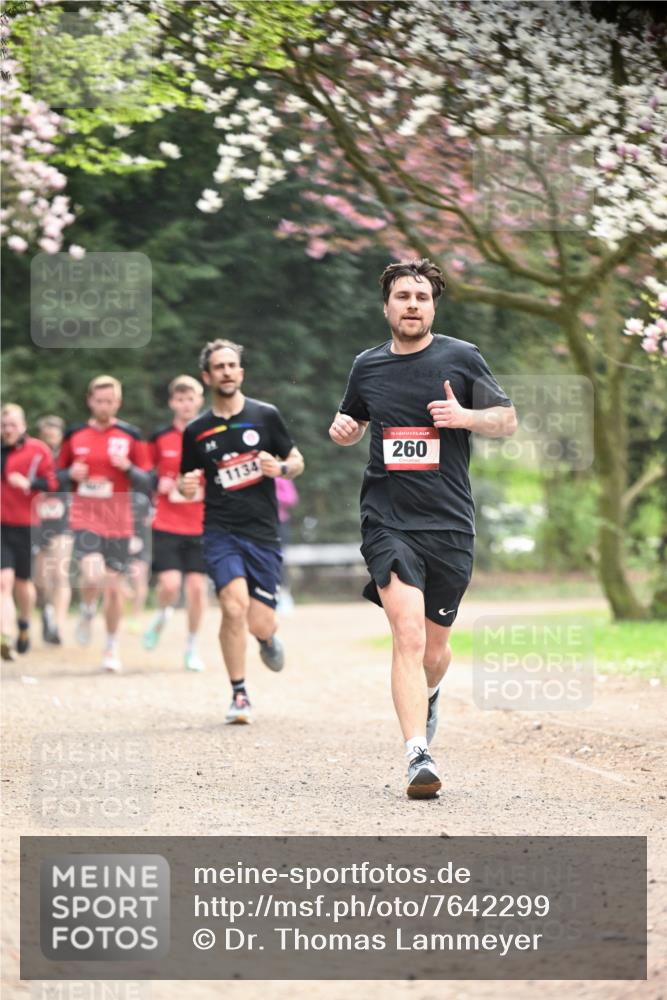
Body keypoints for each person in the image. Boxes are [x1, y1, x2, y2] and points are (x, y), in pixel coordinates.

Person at [329, 259, 517, 799]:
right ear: (386, 305)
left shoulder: (460, 357)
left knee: (435, 649)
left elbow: (506, 418)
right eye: (402, 296)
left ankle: (430, 692)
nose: (412, 304)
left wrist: (467, 419)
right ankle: (417, 755)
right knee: (406, 634)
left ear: (433, 306)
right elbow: (352, 422)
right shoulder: (366, 366)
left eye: (422, 297)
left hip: (449, 522)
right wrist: (344, 431)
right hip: (387, 517)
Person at [179, 339, 304, 723]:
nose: (227, 372)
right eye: (219, 367)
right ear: (208, 376)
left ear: (241, 372)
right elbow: (187, 476)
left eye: (232, 365)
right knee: (233, 606)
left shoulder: (265, 416)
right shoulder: (197, 430)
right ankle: (239, 695)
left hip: (263, 531)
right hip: (221, 529)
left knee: (259, 621)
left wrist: (280, 469)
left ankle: (266, 639)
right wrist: (186, 487)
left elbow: (296, 460)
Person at [58, 376, 152, 672]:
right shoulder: (74, 435)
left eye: (110, 401)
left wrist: (129, 468)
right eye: (99, 401)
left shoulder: (131, 435)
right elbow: (53, 476)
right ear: (90, 401)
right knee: (92, 575)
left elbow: (148, 479)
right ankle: (87, 609)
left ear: (118, 402)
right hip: (85, 515)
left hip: (120, 521)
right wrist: (71, 473)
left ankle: (111, 646)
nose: (104, 406)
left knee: (114, 589)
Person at [143, 375, 208, 672]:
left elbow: (223, 473)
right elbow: (143, 473)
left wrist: (208, 489)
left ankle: (192, 647)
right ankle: (164, 613)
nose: (185, 404)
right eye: (179, 399)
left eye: (190, 398)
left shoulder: (211, 433)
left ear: (199, 401)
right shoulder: (159, 437)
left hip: (202, 524)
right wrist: (161, 482)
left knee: (196, 589)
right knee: (170, 585)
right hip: (167, 521)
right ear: (172, 403)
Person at [1, 404, 57, 660]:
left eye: (12, 424)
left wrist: (29, 483)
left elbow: (53, 484)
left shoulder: (38, 450)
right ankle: (5, 636)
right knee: (3, 582)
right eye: (3, 425)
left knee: (23, 584)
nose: (8, 430)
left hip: (26, 525)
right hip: (1, 525)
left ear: (23, 425)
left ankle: (24, 622)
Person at [33, 415, 72, 645]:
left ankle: (58, 625)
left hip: (62, 521)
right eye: (46, 436)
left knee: (60, 574)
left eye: (54, 435)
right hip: (37, 521)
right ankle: (46, 611)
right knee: (40, 580)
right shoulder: (33, 455)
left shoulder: (68, 457)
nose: (51, 440)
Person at [275, 475, 299, 614]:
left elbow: (291, 498)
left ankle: (284, 596)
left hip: (279, 524)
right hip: (260, 524)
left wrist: (272, 495)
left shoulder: (281, 477)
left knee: (280, 560)